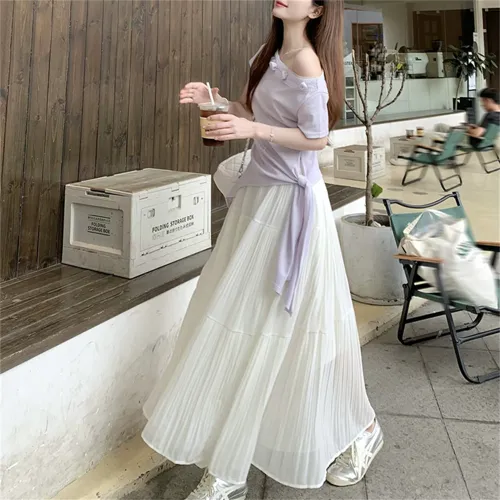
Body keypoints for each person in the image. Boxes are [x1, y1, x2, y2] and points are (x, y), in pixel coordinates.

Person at [142, 2, 382, 499]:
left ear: (316, 9)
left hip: (292, 209)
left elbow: (317, 139)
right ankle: (231, 463)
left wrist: (253, 131)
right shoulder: (268, 53)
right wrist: (218, 102)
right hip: (257, 202)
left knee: (298, 327)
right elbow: (256, 113)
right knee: (245, 321)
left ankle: (356, 430)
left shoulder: (308, 62)